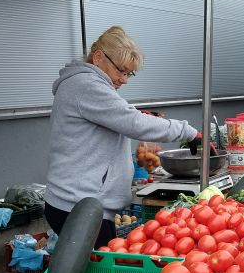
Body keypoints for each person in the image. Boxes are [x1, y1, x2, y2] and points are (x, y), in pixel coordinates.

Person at [44, 26, 200, 248]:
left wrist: (135, 115)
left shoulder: (83, 84)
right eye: (122, 71)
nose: (124, 80)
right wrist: (189, 132)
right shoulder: (86, 85)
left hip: (78, 202)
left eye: (129, 74)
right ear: (98, 58)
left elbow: (117, 115)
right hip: (80, 207)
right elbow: (134, 123)